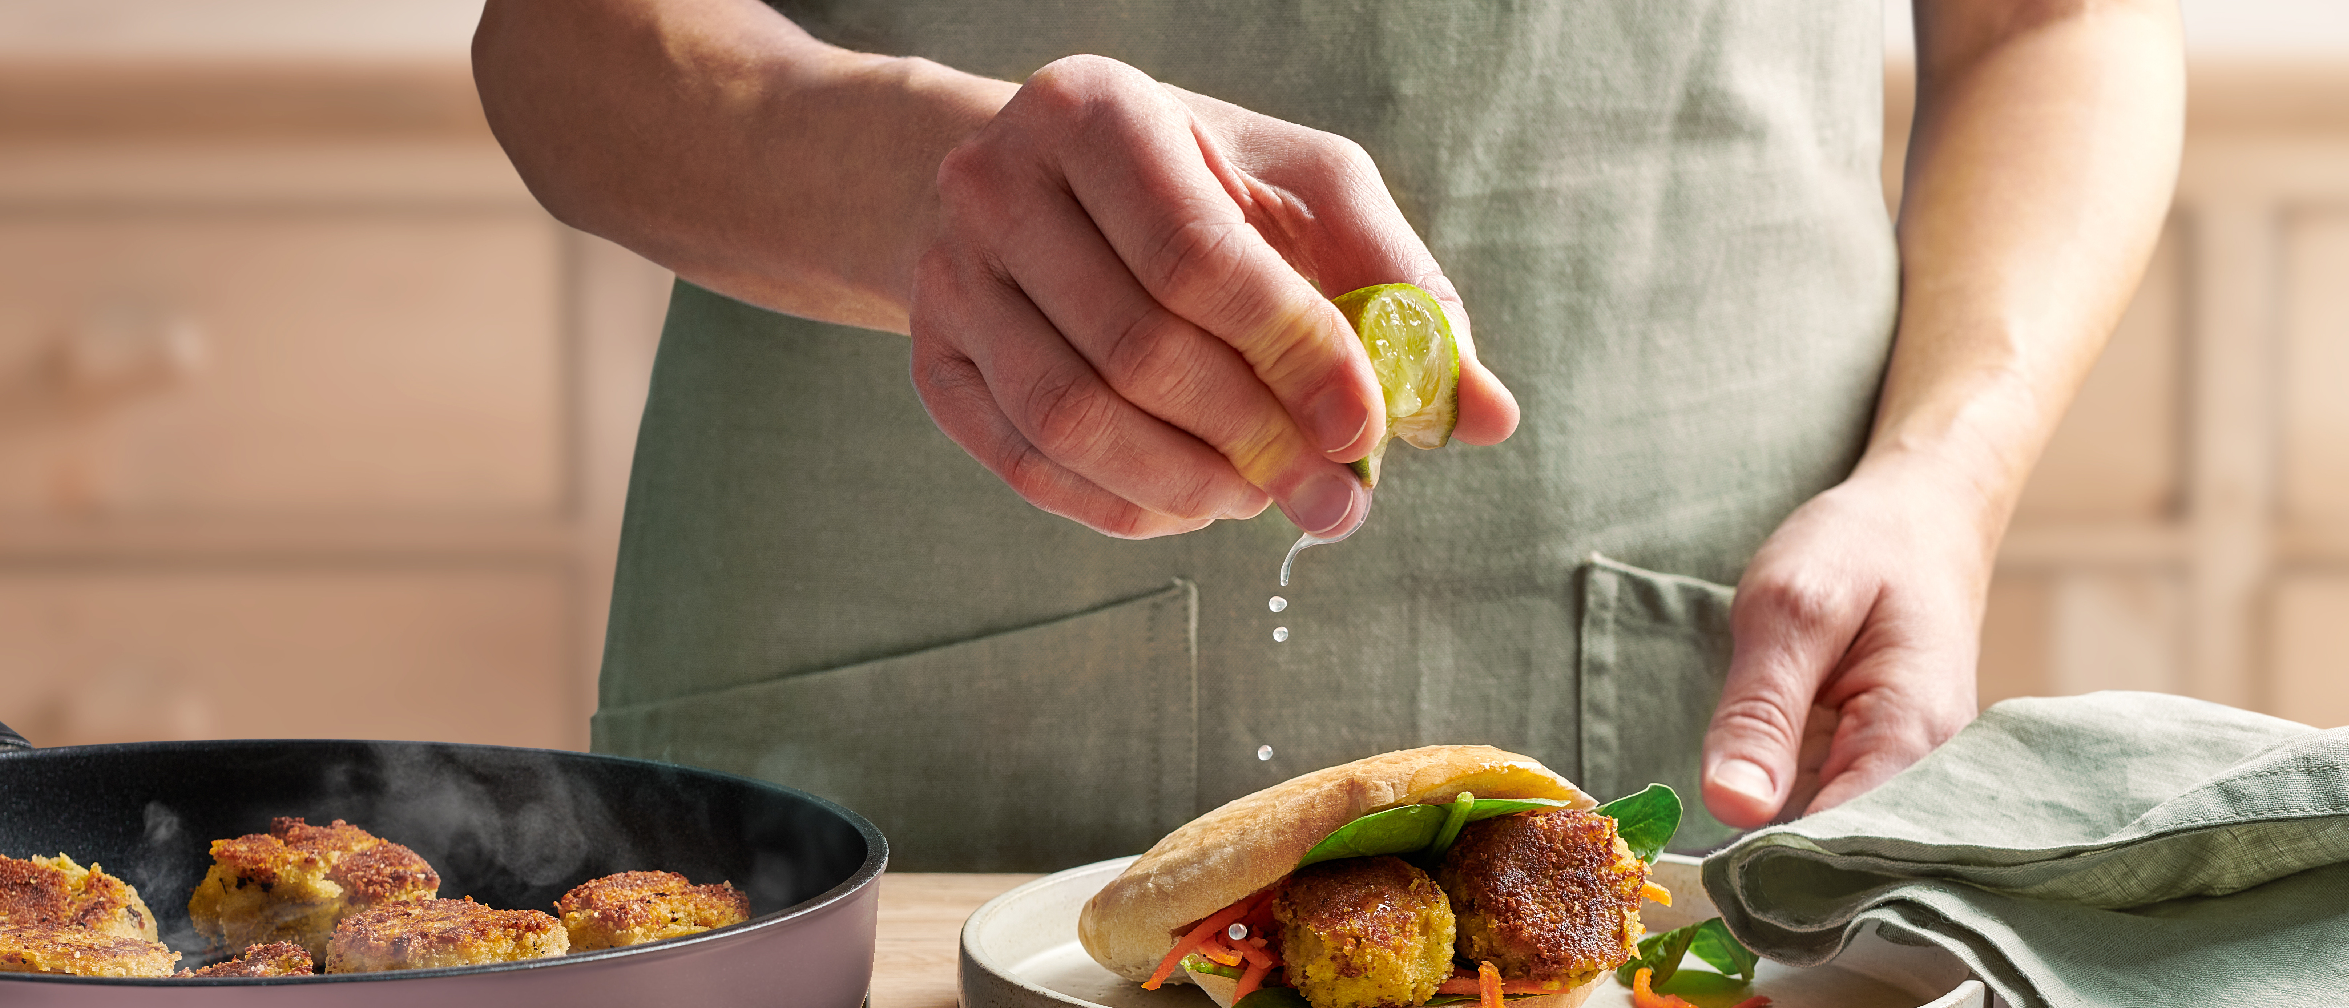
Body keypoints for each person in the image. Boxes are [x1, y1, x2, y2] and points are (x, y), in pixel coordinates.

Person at [473, 0, 2182, 869]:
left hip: (1715, 657)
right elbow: (563, 42)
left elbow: (2051, 22)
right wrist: (917, 182)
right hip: (877, 669)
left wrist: (1944, 479)